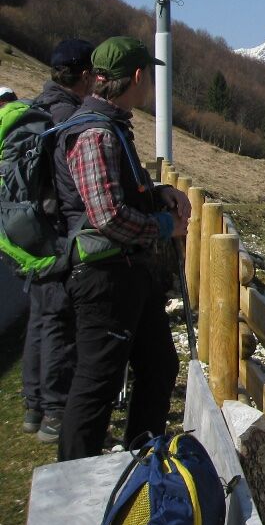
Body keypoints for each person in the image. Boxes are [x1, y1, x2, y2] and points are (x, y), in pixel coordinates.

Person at [54, 36, 190, 460]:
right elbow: (108, 216)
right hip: (104, 278)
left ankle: (140, 462)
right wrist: (164, 225)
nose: (149, 85)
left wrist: (157, 192)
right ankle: (74, 486)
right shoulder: (95, 133)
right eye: (147, 76)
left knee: (160, 364)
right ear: (135, 76)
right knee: (98, 382)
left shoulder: (110, 127)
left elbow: (119, 192)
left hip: (128, 274)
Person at [21, 39, 94, 442]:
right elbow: (73, 185)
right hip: (56, 228)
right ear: (84, 75)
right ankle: (54, 411)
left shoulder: (37, 107)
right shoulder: (67, 117)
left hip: (30, 228)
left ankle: (33, 405)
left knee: (40, 313)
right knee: (59, 320)